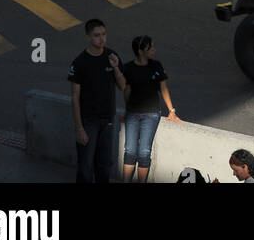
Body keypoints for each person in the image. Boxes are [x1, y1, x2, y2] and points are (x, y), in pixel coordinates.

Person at [69, 18, 127, 183]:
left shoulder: (111, 56)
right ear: (88, 36)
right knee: (86, 167)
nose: (102, 39)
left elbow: (122, 86)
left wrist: (116, 68)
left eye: (104, 34)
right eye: (96, 35)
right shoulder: (80, 62)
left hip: (107, 121)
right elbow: (74, 98)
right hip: (88, 122)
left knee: (104, 166)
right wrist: (79, 128)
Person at [121, 34, 181, 183]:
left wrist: (171, 111)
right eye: (150, 48)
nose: (153, 50)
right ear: (141, 51)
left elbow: (164, 88)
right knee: (129, 150)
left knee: (144, 152)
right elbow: (126, 91)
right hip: (133, 114)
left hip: (151, 114)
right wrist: (127, 110)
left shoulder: (156, 66)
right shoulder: (128, 68)